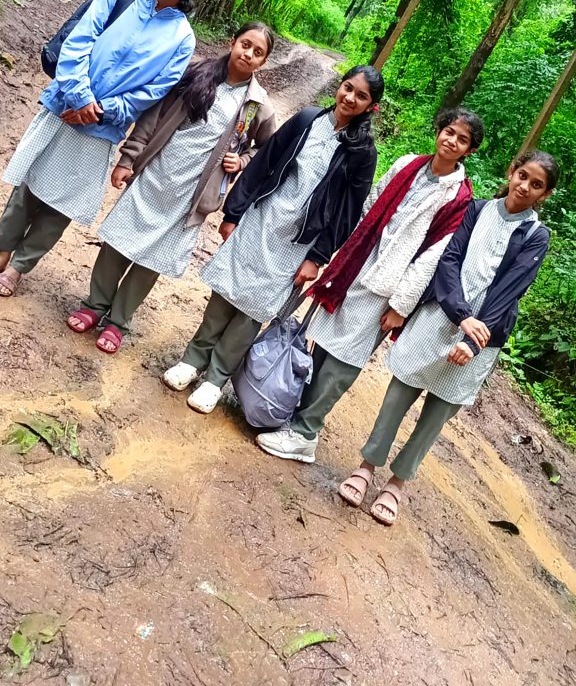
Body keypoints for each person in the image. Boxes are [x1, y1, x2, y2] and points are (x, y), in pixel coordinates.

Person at [337, 149, 558, 525]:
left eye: (536, 185)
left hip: (483, 337)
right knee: (399, 393)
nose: (525, 186)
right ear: (512, 171)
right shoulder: (477, 209)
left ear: (545, 194)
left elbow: (509, 290)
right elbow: (450, 259)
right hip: (439, 316)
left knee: (437, 413)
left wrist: (473, 340)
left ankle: (397, 483)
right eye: (522, 176)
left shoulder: (536, 236)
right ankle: (367, 465)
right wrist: (461, 315)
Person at [256, 107, 484, 464]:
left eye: (462, 139)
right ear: (439, 130)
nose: (452, 141)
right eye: (449, 131)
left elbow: (432, 259)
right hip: (358, 265)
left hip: (388, 287)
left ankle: (305, 434)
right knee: (323, 344)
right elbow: (371, 204)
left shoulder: (459, 200)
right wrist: (347, 253)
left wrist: (400, 306)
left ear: (470, 150)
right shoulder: (409, 165)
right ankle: (294, 414)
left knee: (345, 360)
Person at [163, 65, 384, 414]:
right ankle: (193, 360)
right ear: (340, 86)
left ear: (371, 106)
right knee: (225, 292)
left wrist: (317, 256)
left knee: (253, 311)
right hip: (261, 218)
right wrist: (234, 212)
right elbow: (263, 163)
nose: (350, 98)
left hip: (297, 242)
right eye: (348, 88)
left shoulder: (362, 153)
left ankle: (215, 379)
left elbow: (348, 212)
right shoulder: (307, 120)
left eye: (361, 96)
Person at [0, 0, 203, 298]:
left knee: (63, 203)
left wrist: (100, 110)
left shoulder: (182, 38)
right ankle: (3, 248)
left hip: (102, 128)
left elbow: (154, 90)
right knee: (30, 183)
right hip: (64, 105)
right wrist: (80, 96)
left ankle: (19, 266)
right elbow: (78, 42)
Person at [66, 23, 276, 354]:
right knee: (118, 241)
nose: (248, 54)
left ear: (263, 62)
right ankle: (95, 305)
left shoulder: (258, 106)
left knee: (154, 258)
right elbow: (154, 115)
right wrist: (129, 158)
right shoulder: (195, 72)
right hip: (156, 173)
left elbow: (267, 149)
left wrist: (243, 160)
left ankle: (118, 321)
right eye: (245, 44)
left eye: (258, 52)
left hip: (192, 196)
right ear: (232, 41)